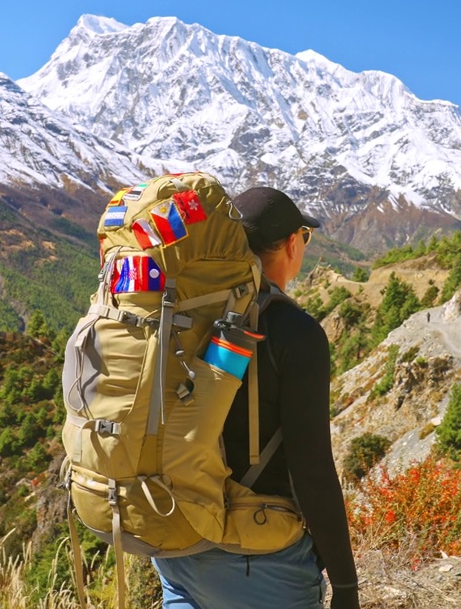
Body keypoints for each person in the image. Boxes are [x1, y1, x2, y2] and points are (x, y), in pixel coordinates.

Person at [153, 187, 361, 609]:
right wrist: (345, 584)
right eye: (305, 235)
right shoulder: (295, 333)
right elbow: (313, 470)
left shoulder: (186, 315)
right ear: (291, 243)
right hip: (256, 556)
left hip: (175, 540)